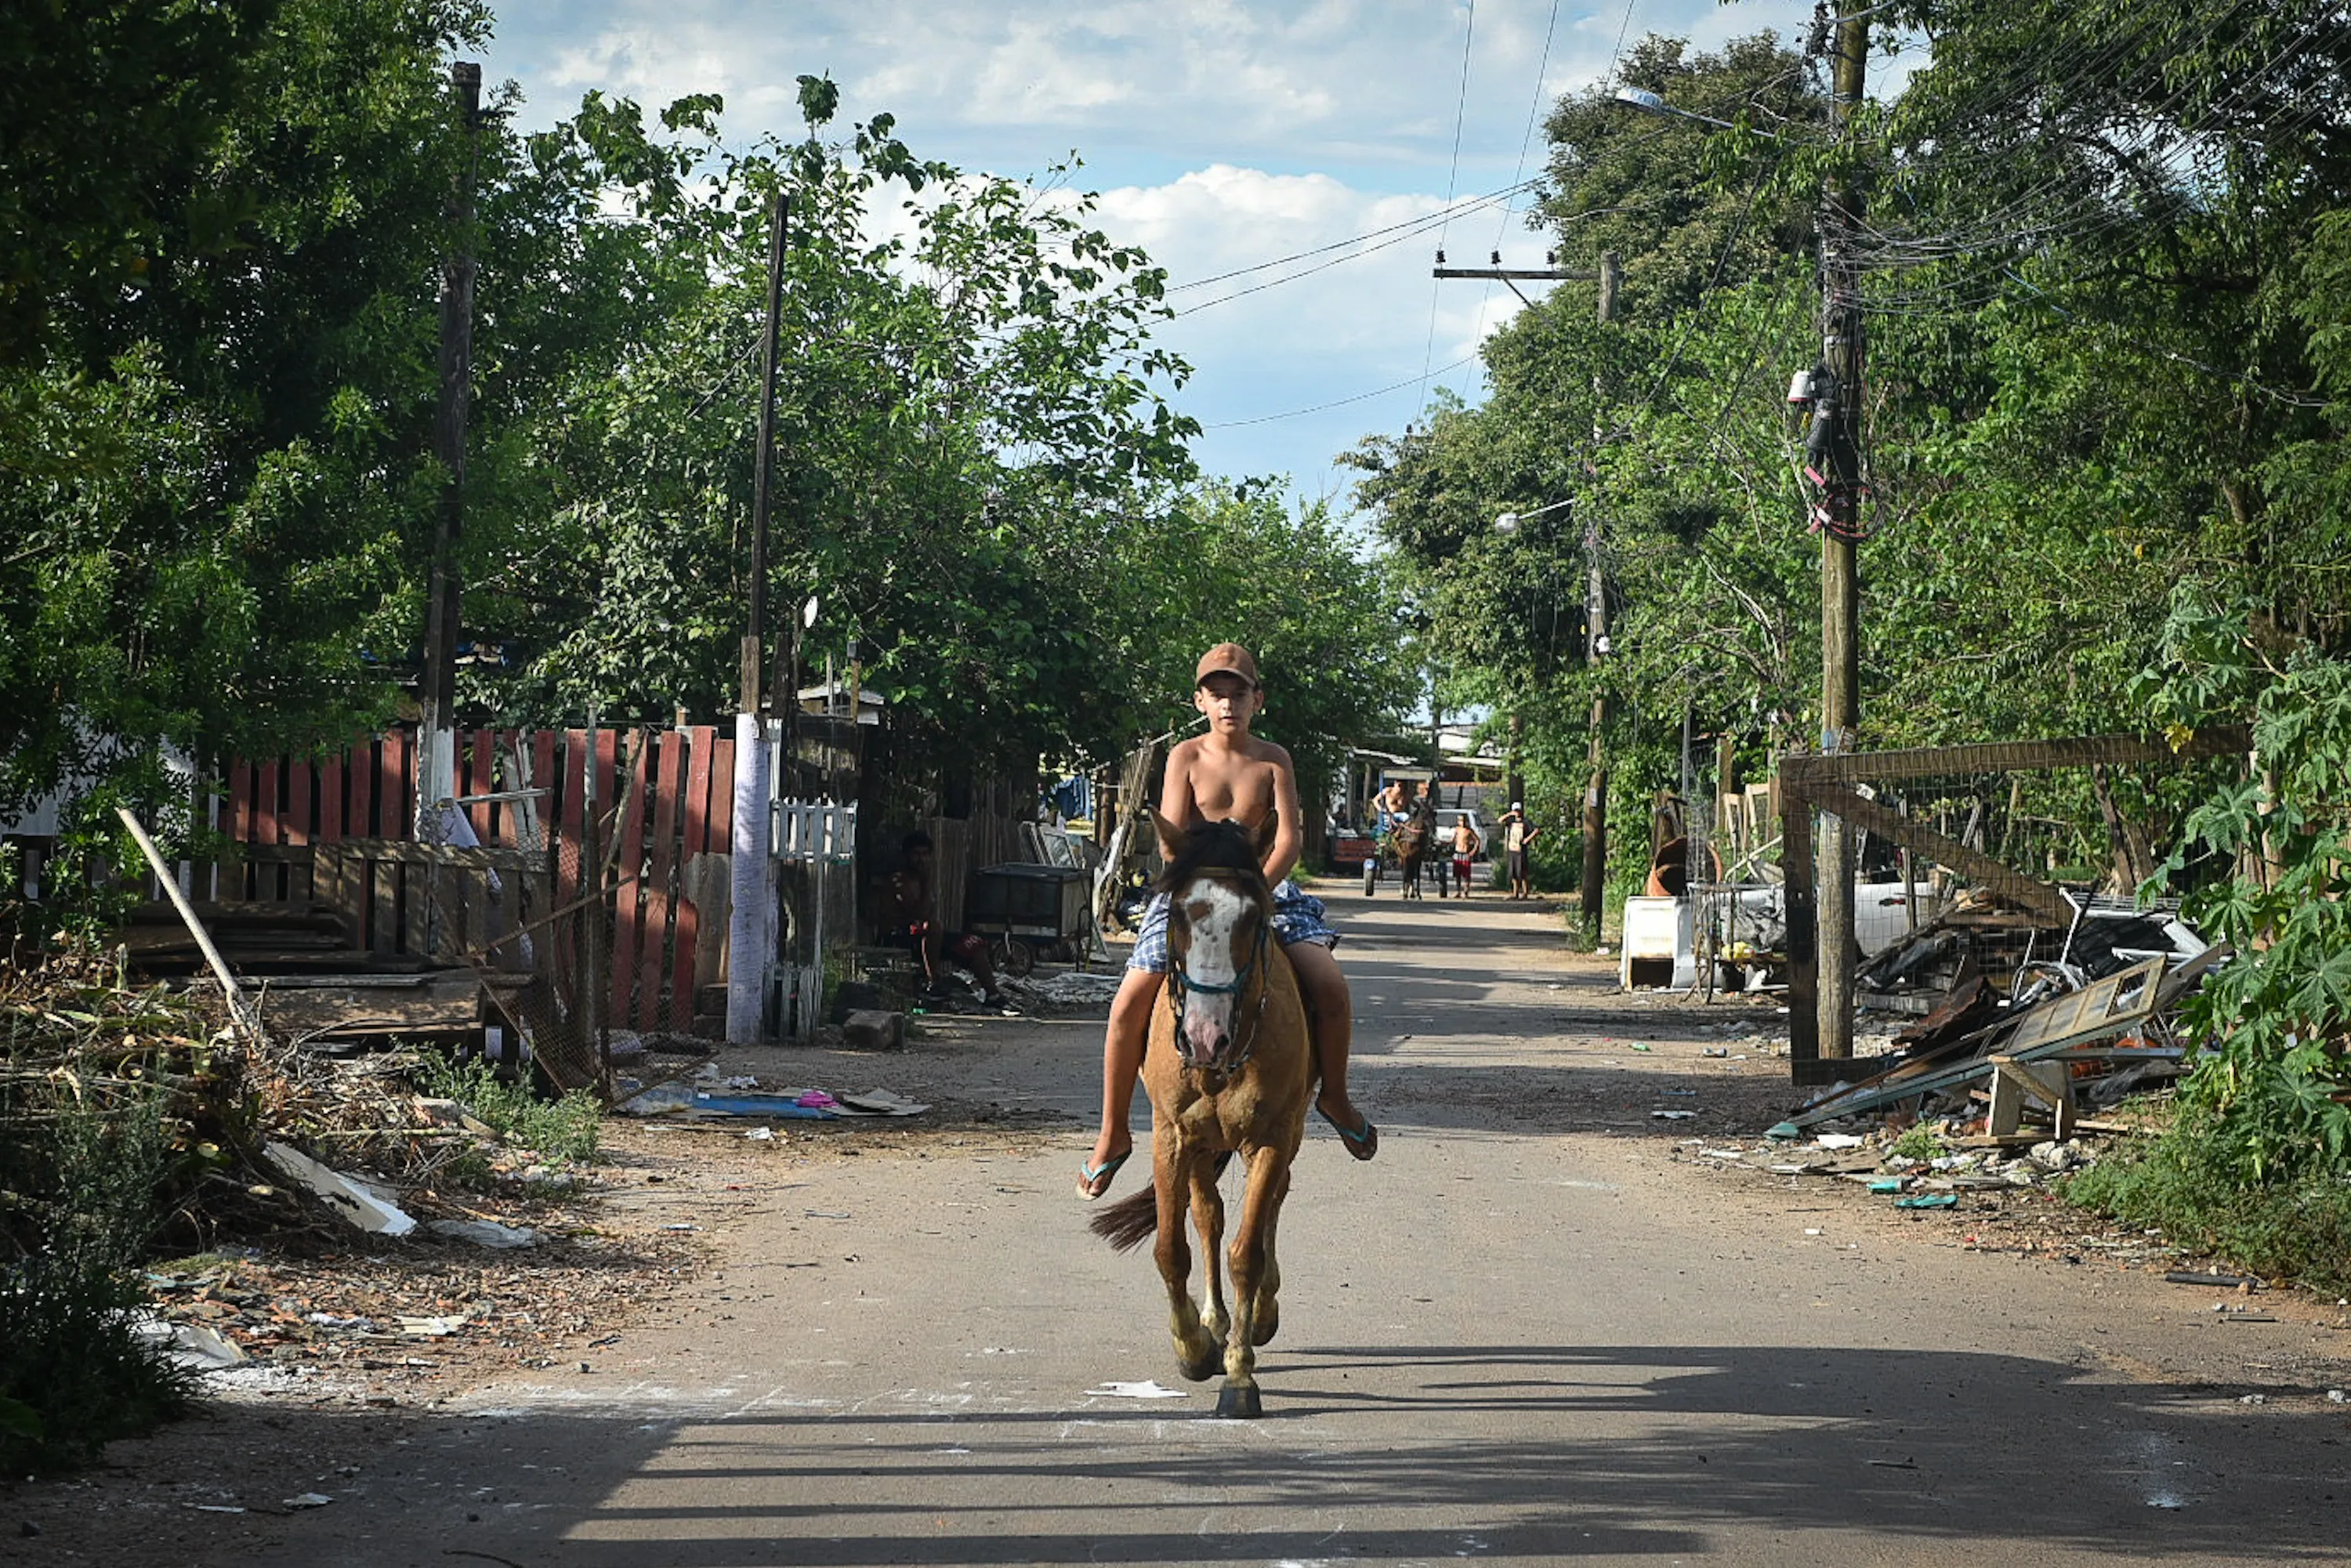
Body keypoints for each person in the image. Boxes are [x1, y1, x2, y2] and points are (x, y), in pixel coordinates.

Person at [1079, 643, 1377, 1198]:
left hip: (1266, 891)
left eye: (1238, 693)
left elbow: (1287, 836)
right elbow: (1173, 835)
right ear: (1200, 700)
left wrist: (1256, 890)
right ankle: (1113, 1129)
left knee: (1330, 984)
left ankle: (1333, 1093)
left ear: (1256, 699)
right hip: (1193, 895)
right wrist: (1202, 891)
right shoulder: (1184, 757)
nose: (1227, 703)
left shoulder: (1273, 759)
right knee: (1127, 1004)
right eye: (1216, 694)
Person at [884, 831, 1014, 1011]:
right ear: (907, 856)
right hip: (902, 936)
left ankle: (993, 995)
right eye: (916, 854)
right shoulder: (900, 881)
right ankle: (933, 982)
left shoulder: (923, 880)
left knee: (973, 943)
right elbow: (918, 913)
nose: (921, 860)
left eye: (925, 854)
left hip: (930, 938)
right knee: (934, 926)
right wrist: (926, 882)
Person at [1499, 802, 1540, 900]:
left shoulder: (1526, 822)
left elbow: (1537, 830)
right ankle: (1515, 893)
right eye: (1515, 811)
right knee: (1513, 872)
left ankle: (1525, 893)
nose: (1517, 813)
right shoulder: (1511, 822)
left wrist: (1528, 839)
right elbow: (1500, 820)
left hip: (1521, 850)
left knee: (1522, 872)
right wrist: (1509, 814)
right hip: (1512, 849)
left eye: (1518, 811)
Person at [1449, 813, 1483, 898]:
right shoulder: (1457, 830)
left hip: (1465, 853)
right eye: (1460, 821)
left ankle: (1466, 891)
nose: (1462, 822)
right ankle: (1458, 891)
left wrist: (1473, 851)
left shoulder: (1469, 831)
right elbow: (1452, 840)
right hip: (1457, 853)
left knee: (1466, 874)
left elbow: (1477, 841)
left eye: (1464, 820)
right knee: (1457, 874)